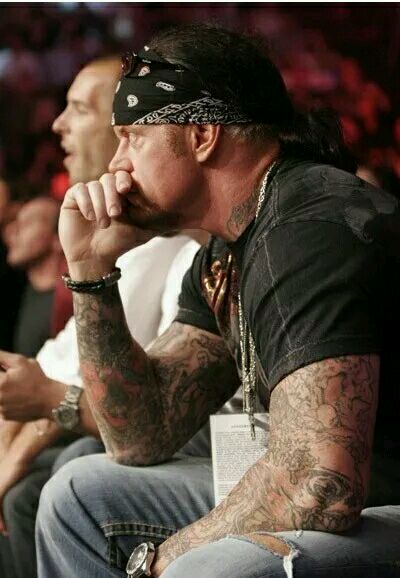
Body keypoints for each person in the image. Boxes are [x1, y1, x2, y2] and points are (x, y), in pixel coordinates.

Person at [35, 24, 400, 578]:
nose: (116, 165)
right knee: (80, 494)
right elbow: (141, 435)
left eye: (133, 138)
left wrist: (162, 559)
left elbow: (319, 486)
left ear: (203, 135)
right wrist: (90, 270)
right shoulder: (225, 251)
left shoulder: (309, 227)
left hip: (381, 502)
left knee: (208, 568)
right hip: (349, 499)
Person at [0, 55, 198, 578]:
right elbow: (46, 376)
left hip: (191, 454)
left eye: (80, 109)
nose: (57, 124)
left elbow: (126, 412)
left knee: (68, 478)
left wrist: (20, 448)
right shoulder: (126, 245)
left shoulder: (174, 250)